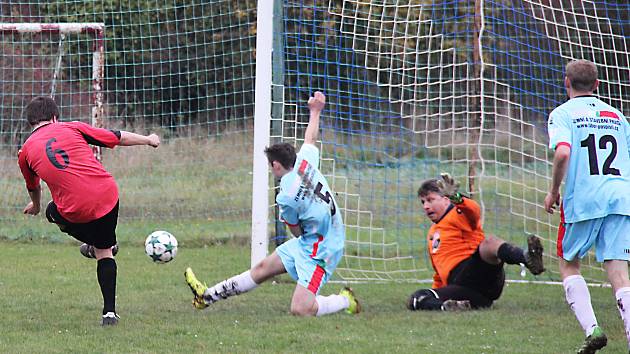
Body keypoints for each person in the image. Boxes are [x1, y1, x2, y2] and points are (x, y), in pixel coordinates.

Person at [184, 91, 360, 316]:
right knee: (261, 270)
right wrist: (315, 111)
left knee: (301, 309)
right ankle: (208, 296)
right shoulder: (305, 162)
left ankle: (345, 301)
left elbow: (295, 231)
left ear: (277, 165)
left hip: (322, 250)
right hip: (312, 240)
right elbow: (311, 139)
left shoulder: (286, 196)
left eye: (270, 165)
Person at [18, 96, 160, 326]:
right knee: (105, 252)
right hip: (107, 195)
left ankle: (96, 245)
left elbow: (33, 187)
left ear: (30, 123)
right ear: (55, 117)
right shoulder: (72, 127)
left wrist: (35, 206)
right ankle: (109, 314)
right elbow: (116, 136)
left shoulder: (25, 152)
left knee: (51, 212)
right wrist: (148, 139)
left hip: (73, 209)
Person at [544, 59, 630, 354]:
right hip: (620, 197)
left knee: (569, 263)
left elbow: (563, 153)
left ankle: (593, 329)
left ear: (566, 82)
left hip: (584, 198)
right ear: (597, 85)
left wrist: (554, 191)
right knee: (619, 270)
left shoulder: (562, 114)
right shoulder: (618, 116)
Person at [407, 173, 545, 311]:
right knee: (417, 298)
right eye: (423, 202)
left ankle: (527, 258)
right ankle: (447, 307)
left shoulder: (458, 214)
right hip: (467, 292)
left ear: (445, 199)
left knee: (490, 243)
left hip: (474, 272)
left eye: (430, 200)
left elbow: (474, 211)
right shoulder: (432, 232)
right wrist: (437, 294)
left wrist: (457, 198)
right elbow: (439, 272)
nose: (426, 206)